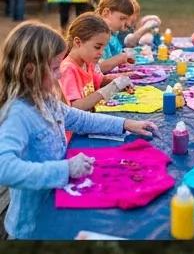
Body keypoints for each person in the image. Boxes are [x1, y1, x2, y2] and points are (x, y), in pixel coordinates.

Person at [0, 22, 158, 238]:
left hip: (57, 204)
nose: (58, 75)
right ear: (30, 71)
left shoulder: (44, 99)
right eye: (55, 68)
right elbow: (5, 169)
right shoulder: (18, 114)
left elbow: (77, 118)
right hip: (32, 225)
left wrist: (125, 124)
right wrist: (64, 170)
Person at [58, 13, 132, 111]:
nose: (101, 53)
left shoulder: (87, 63)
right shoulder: (68, 69)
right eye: (97, 47)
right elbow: (74, 107)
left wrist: (120, 80)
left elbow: (100, 81)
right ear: (78, 42)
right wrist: (109, 89)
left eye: (103, 48)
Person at [95, 0, 158, 73]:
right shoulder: (95, 34)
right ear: (106, 13)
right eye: (122, 18)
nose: (123, 26)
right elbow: (96, 69)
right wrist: (121, 58)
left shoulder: (111, 33)